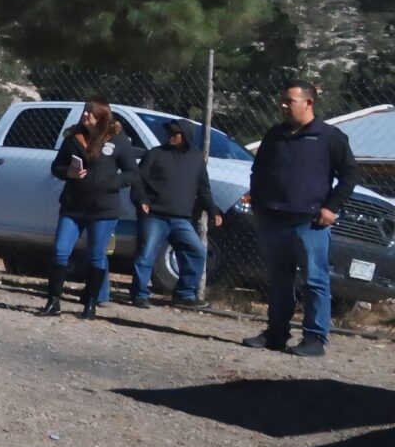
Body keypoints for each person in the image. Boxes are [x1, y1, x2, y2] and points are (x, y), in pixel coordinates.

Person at [244, 82, 360, 357]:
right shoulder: (274, 135)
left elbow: (350, 175)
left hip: (310, 223)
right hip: (273, 220)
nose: (283, 105)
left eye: (290, 101)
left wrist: (331, 207)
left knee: (315, 281)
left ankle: (315, 339)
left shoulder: (329, 137)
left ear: (308, 103)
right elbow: (258, 171)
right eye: (282, 101)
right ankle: (276, 334)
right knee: (279, 280)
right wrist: (258, 202)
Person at [37, 100, 139, 321]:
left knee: (96, 255)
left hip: (103, 208)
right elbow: (56, 167)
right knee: (60, 250)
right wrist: (68, 173)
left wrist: (110, 183)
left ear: (102, 117)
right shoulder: (73, 137)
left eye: (90, 113)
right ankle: (53, 302)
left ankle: (90, 304)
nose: (85, 116)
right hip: (73, 205)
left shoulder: (118, 140)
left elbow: (132, 173)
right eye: (85, 112)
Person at [129, 119, 223, 308]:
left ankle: (185, 294)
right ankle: (139, 294)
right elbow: (137, 182)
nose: (171, 136)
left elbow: (203, 189)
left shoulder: (196, 159)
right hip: (154, 215)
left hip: (181, 219)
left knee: (197, 251)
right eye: (169, 132)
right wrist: (141, 200)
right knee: (146, 254)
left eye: (176, 133)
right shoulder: (155, 154)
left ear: (186, 136)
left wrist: (213, 210)